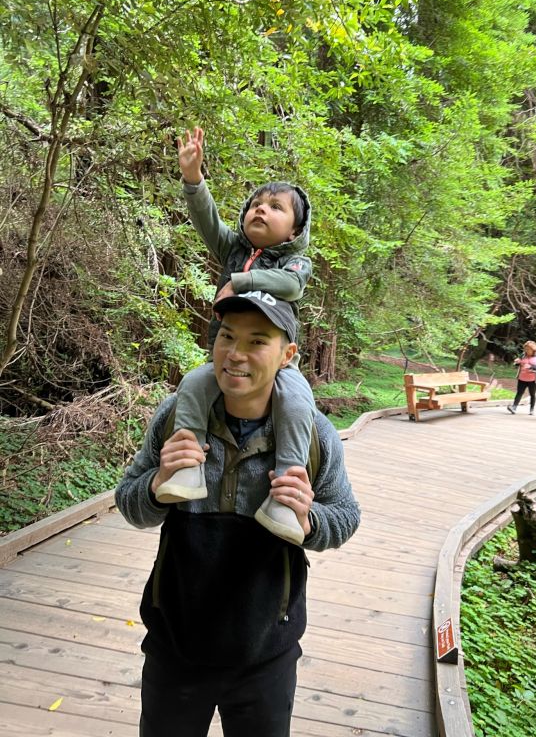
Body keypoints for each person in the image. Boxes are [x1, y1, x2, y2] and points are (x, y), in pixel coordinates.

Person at [115, 293, 360, 737]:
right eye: (227, 337)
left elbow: (345, 516)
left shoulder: (314, 435)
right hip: (176, 647)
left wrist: (308, 521)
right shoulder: (177, 417)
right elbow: (129, 501)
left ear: (287, 355)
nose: (235, 354)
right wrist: (157, 484)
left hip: (266, 656)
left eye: (256, 341)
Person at [156, 125, 314, 547]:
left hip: (277, 370)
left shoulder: (297, 263)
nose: (260, 210)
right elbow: (206, 219)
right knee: (192, 382)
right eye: (255, 205)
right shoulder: (234, 250)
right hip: (223, 361)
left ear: (295, 230)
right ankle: (189, 465)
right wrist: (193, 178)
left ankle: (286, 487)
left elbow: (291, 287)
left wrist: (241, 283)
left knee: (297, 403)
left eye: (276, 207)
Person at [507, 340, 536, 415]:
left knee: (532, 394)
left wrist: (531, 367)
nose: (526, 350)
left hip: (533, 380)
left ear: (533, 349)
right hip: (522, 378)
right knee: (519, 393)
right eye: (525, 349)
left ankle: (532, 409)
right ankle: (514, 407)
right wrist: (517, 362)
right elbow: (518, 364)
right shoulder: (523, 355)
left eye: (528, 349)